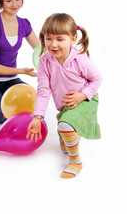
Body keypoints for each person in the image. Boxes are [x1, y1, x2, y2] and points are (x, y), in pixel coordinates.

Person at [27, 13, 102, 178]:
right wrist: (37, 117)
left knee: (65, 126)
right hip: (66, 105)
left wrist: (82, 95)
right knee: (65, 141)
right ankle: (69, 134)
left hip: (86, 99)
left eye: (60, 39)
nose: (53, 44)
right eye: (49, 39)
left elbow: (97, 79)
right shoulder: (44, 62)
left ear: (73, 39)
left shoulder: (80, 59)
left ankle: (76, 162)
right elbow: (43, 90)